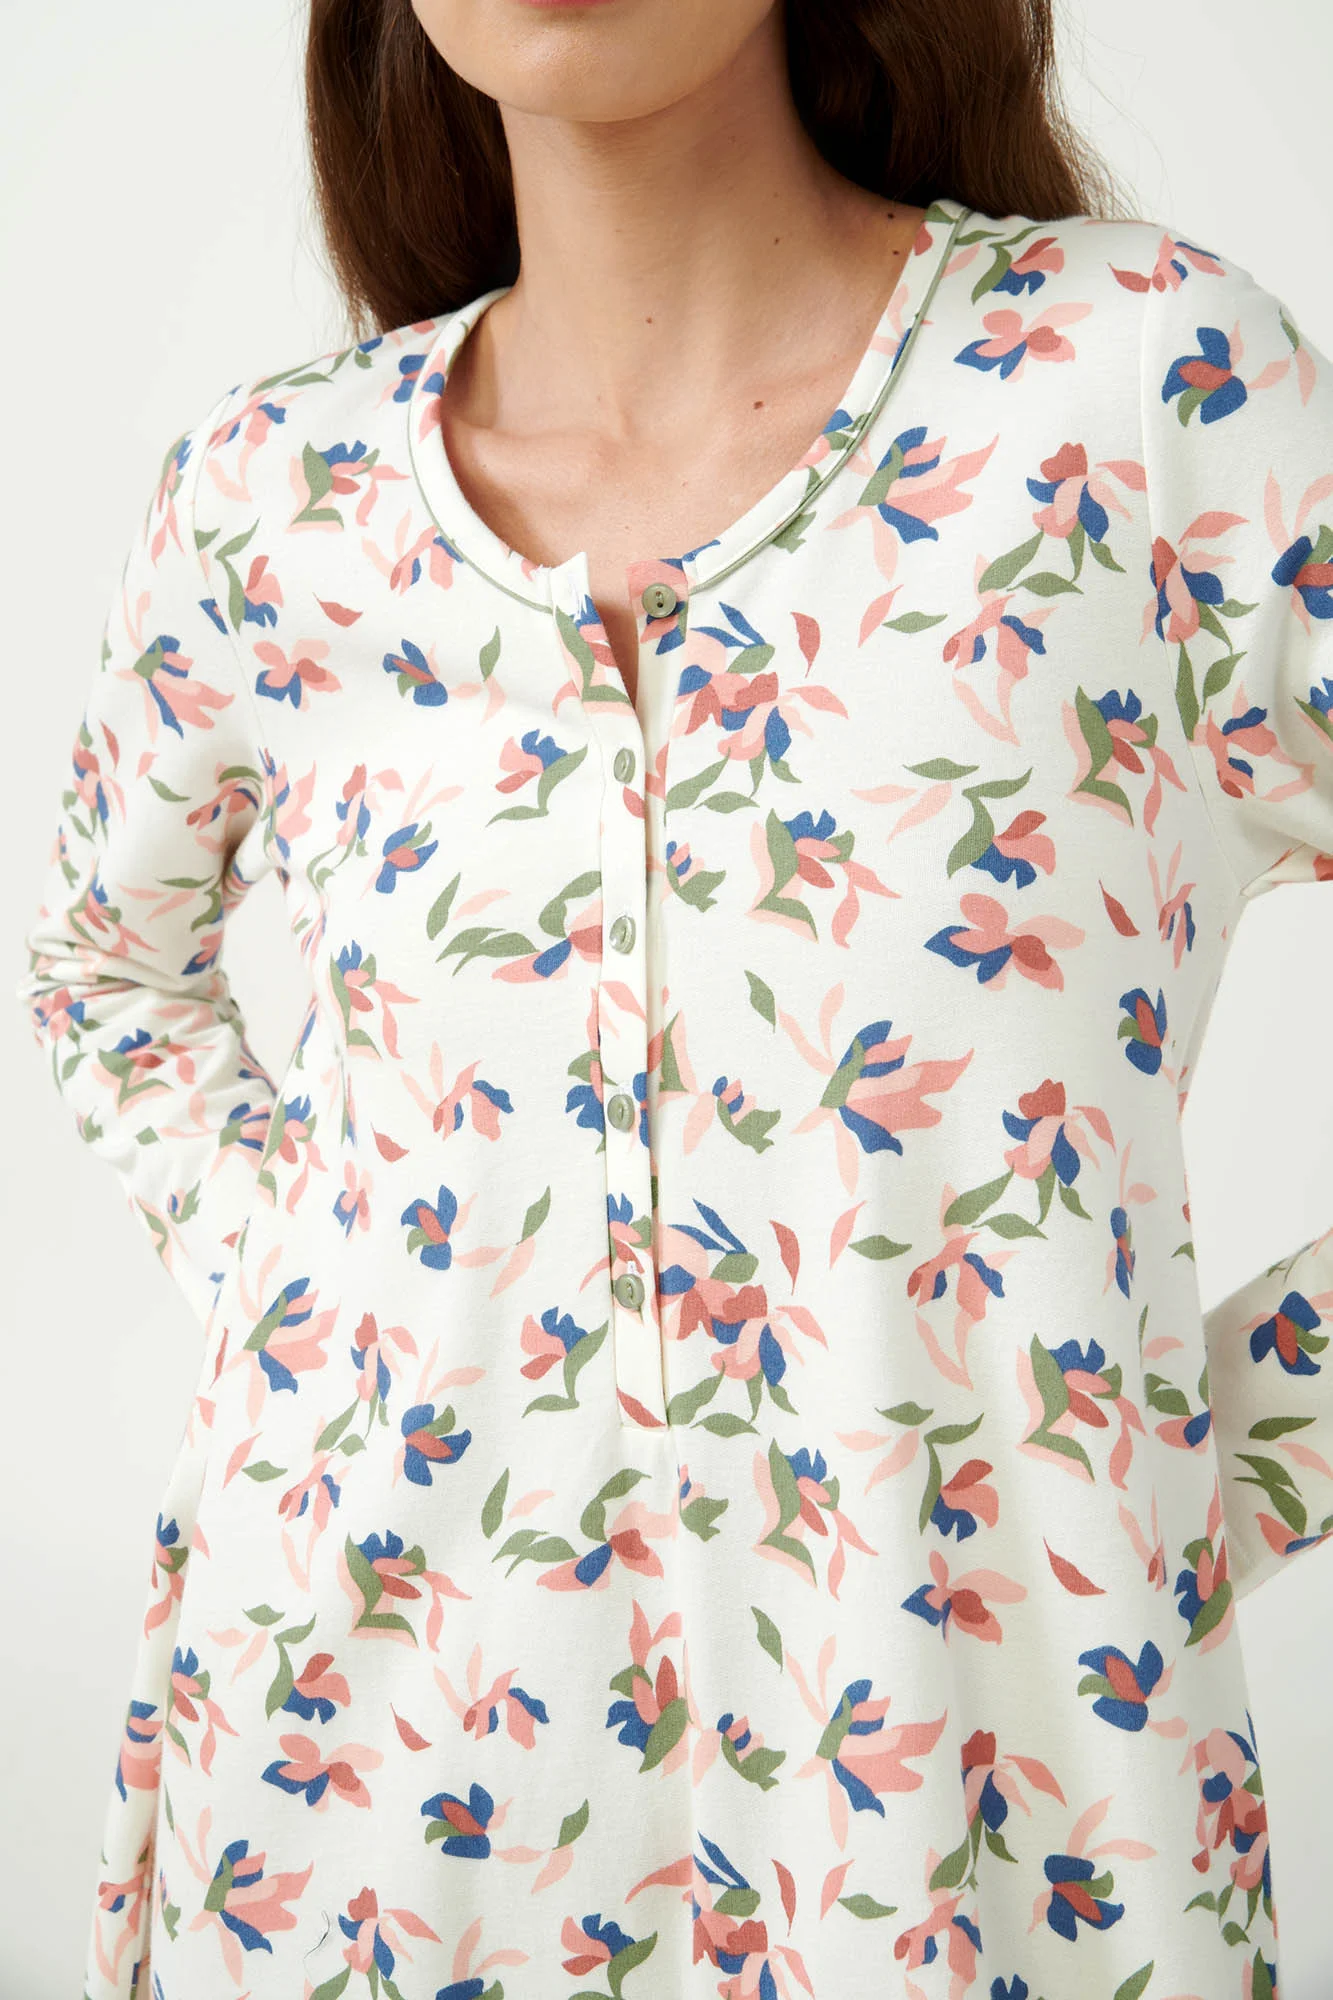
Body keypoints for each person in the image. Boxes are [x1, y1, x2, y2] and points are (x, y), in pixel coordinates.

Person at [16, 1, 1332, 1995]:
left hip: (986, 1826)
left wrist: (1188, 1459)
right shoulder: (266, 505)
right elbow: (106, 972)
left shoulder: (1142, 393)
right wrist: (311, 1308)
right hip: (355, 1809)